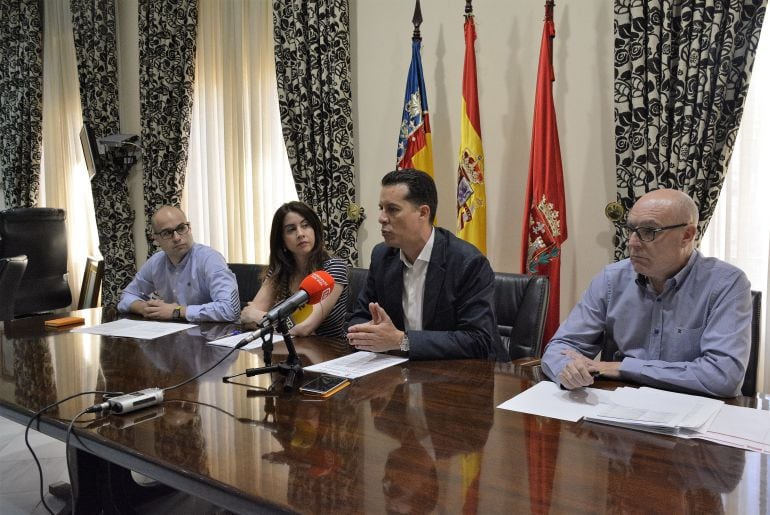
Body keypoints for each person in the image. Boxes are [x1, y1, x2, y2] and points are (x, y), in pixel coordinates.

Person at [541, 189, 752, 397]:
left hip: (693, 415)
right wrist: (569, 369)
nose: (632, 242)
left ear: (687, 235)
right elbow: (561, 346)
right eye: (631, 229)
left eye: (649, 231)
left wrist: (623, 367)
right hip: (618, 408)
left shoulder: (726, 283)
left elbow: (723, 376)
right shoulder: (612, 279)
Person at [347, 169, 505, 360]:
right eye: (381, 208)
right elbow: (359, 317)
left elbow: (477, 340)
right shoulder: (382, 256)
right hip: (402, 372)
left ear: (423, 212)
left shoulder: (467, 262)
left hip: (463, 376)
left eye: (392, 209)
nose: (381, 217)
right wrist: (368, 334)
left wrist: (402, 341)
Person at [240, 201, 348, 338]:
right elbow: (246, 318)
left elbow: (304, 328)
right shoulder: (280, 270)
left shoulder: (333, 268)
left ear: (315, 230)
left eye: (305, 225)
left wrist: (260, 318)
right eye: (291, 229)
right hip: (287, 349)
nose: (300, 234)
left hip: (328, 351)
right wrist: (260, 318)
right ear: (282, 241)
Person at [117, 206, 240, 322]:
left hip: (209, 335)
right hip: (173, 335)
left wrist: (178, 311)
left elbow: (230, 309)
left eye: (181, 228)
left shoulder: (210, 259)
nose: (176, 238)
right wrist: (143, 307)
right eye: (167, 233)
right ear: (156, 239)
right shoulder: (156, 262)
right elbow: (128, 295)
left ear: (189, 228)